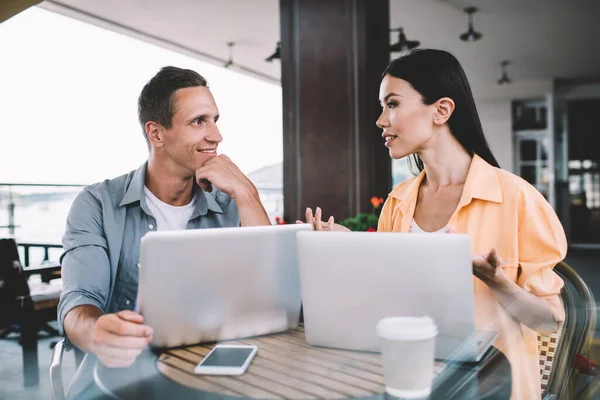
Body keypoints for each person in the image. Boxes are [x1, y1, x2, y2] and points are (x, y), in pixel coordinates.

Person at [302, 49, 566, 400]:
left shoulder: (517, 198)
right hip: (409, 379)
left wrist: (498, 283)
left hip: (493, 387)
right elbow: (391, 301)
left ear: (441, 110)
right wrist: (354, 249)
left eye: (392, 104)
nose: (381, 120)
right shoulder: (398, 202)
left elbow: (549, 320)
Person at [58, 66, 271, 397]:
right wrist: (97, 330)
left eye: (215, 119)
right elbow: (79, 304)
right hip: (119, 384)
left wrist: (246, 193)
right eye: (199, 121)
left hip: (213, 379)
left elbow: (267, 295)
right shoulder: (96, 204)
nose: (216, 135)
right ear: (156, 134)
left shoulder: (229, 204)